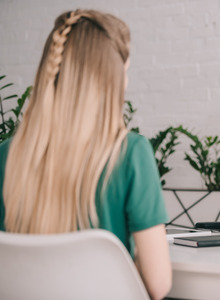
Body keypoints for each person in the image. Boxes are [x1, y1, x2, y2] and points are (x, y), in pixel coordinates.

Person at [0, 10, 171, 299]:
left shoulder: (6, 155)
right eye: (125, 74)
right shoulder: (131, 154)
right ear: (111, 79)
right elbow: (158, 284)